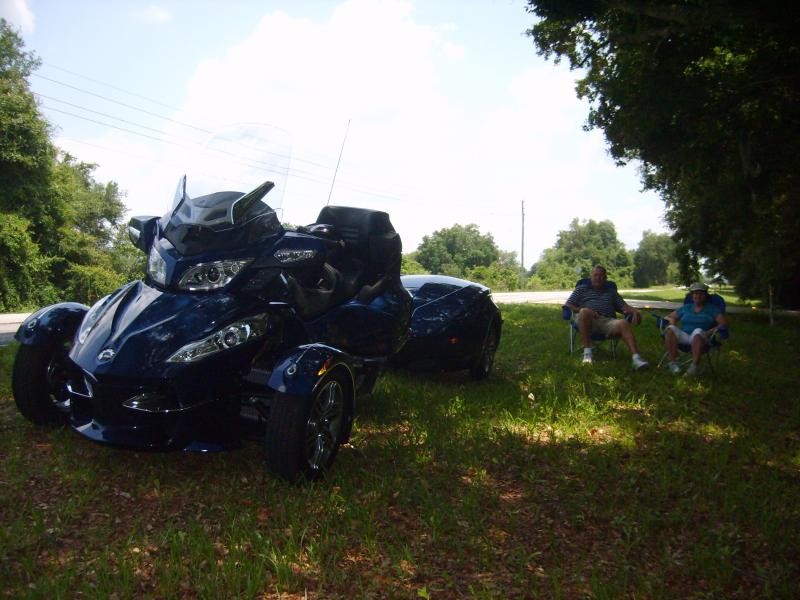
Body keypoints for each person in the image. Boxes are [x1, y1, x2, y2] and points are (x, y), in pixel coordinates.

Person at [564, 265, 649, 370]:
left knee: (623, 323)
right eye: (595, 275)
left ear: (605, 278)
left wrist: (635, 312)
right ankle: (587, 354)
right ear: (591, 277)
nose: (598, 278)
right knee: (584, 311)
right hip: (587, 320)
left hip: (608, 322)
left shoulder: (611, 292)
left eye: (601, 275)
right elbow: (568, 305)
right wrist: (584, 310)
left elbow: (624, 307)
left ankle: (636, 359)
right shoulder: (581, 289)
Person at [663, 282, 728, 375]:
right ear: (692, 295)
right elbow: (669, 317)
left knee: (698, 331)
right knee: (670, 329)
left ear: (706, 295)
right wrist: (673, 322)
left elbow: (723, 323)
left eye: (701, 294)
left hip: (702, 337)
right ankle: (673, 363)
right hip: (685, 335)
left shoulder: (712, 309)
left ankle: (694, 366)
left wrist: (709, 332)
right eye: (695, 294)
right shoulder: (686, 307)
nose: (698, 296)